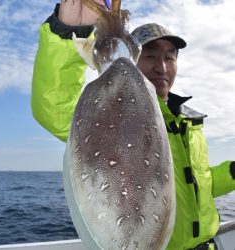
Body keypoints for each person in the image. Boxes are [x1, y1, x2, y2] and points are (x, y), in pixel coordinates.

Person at [31, 1, 235, 249]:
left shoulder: (187, 121)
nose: (161, 67)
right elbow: (55, 107)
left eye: (169, 58)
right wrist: (70, 29)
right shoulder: (115, 114)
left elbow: (196, 184)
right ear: (133, 58)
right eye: (149, 56)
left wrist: (231, 173)